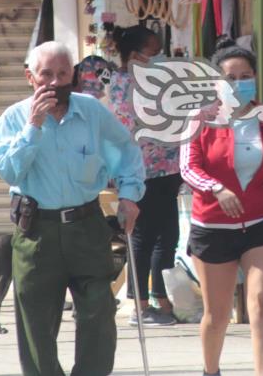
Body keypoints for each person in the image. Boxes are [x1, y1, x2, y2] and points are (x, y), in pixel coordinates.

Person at [0, 41, 145, 376]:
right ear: (30, 77)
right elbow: (9, 172)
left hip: (86, 226)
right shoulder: (14, 118)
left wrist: (130, 197)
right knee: (36, 324)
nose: (55, 82)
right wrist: (33, 126)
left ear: (72, 76)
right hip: (36, 233)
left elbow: (126, 151)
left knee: (99, 310)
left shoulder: (90, 111)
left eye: (62, 74)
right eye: (46, 74)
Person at [180, 37, 263, 376]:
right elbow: (188, 168)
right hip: (213, 227)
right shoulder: (199, 119)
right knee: (218, 315)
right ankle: (211, 371)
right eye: (230, 76)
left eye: (245, 75)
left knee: (262, 304)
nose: (238, 82)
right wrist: (217, 189)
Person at [107, 25, 183, 326]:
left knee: (168, 236)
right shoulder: (123, 83)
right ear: (135, 55)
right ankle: (139, 305)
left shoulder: (151, 81)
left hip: (168, 167)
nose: (159, 58)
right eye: (154, 52)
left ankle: (161, 299)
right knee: (143, 237)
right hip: (141, 170)